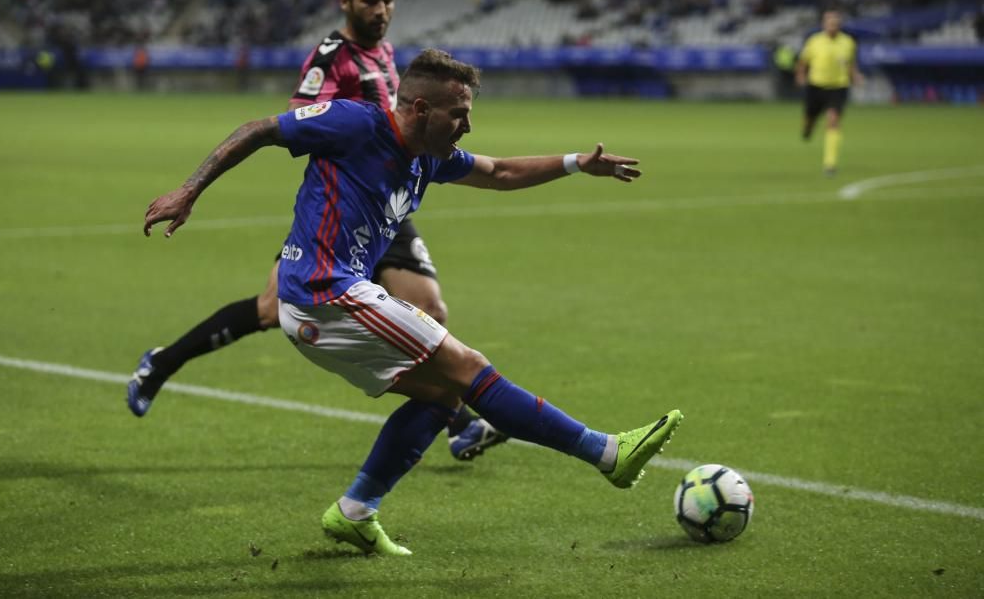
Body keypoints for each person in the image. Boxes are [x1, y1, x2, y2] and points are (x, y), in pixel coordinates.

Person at [142, 48, 684, 556]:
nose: (467, 125)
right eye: (459, 113)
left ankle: (355, 510)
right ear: (421, 108)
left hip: (334, 300)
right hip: (325, 293)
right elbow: (260, 129)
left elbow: (497, 172)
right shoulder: (356, 124)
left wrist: (574, 163)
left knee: (444, 397)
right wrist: (190, 189)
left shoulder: (430, 157)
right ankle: (606, 453)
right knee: (468, 368)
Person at [127, 0, 507, 461]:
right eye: (371, 0)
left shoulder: (387, 53)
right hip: (342, 207)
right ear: (345, 2)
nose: (381, 10)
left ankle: (453, 419)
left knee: (432, 307)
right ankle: (162, 363)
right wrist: (358, 133)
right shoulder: (331, 56)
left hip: (389, 203)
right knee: (269, 308)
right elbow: (298, 115)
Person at [795, 9, 864, 177]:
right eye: (830, 23)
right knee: (809, 120)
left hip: (838, 87)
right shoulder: (814, 41)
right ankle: (808, 129)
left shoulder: (848, 42)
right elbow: (803, 62)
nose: (833, 26)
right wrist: (801, 76)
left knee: (833, 121)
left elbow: (850, 64)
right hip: (816, 86)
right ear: (824, 24)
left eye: (836, 23)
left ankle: (830, 164)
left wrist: (855, 76)